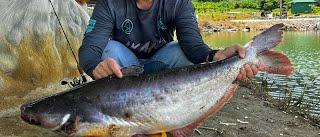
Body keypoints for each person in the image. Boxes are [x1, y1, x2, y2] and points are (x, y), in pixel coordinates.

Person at [78, 0, 259, 80]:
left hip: (161, 63)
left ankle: (171, 108)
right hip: (125, 67)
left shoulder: (179, 2)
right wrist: (95, 68)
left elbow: (193, 46)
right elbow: (90, 46)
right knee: (108, 50)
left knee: (182, 52)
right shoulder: (109, 3)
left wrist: (216, 55)